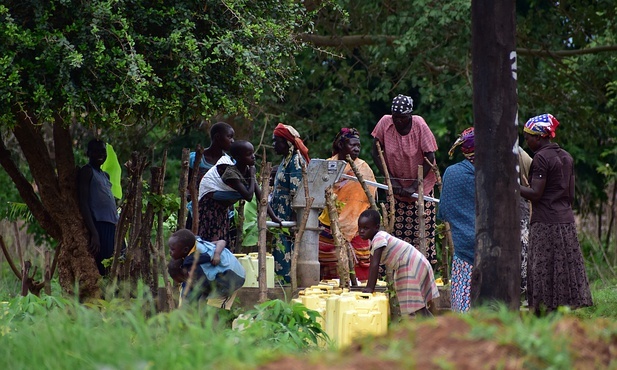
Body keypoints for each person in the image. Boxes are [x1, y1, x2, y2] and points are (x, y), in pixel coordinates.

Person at [520, 113, 592, 315]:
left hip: (545, 223)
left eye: (529, 137)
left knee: (543, 268)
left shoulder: (541, 158)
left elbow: (535, 194)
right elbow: (571, 194)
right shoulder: (566, 157)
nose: (527, 141)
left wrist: (511, 185)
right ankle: (563, 310)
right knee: (562, 267)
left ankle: (544, 311)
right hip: (566, 221)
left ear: (540, 137)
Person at [371, 94, 439, 269]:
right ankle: (395, 273)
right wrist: (391, 181)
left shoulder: (419, 126)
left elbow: (430, 156)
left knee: (422, 236)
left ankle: (421, 273)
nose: (398, 121)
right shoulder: (385, 123)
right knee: (396, 234)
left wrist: (414, 186)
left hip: (420, 189)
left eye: (402, 118)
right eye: (396, 117)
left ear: (410, 115)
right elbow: (375, 151)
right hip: (396, 189)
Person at [318, 128, 377, 281]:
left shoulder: (363, 168)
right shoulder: (328, 165)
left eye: (358, 146)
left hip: (357, 226)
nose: (356, 149)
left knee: (361, 265)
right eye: (352, 145)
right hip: (329, 224)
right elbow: (316, 191)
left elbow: (371, 196)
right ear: (341, 145)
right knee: (327, 264)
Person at [198, 140, 280, 248]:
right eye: (248, 154)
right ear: (238, 157)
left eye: (253, 153)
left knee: (222, 241)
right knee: (212, 242)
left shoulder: (246, 170)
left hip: (222, 209)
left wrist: (274, 217)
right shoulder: (230, 172)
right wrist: (252, 176)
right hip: (209, 208)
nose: (253, 156)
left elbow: (260, 196)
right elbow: (248, 196)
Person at [359, 209, 439, 317]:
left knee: (419, 308)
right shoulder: (374, 240)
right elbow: (373, 262)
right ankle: (435, 329)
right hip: (413, 263)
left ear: (376, 227)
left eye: (365, 228)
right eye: (360, 228)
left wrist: (369, 288)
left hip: (411, 265)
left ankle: (437, 330)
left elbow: (374, 264)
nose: (361, 231)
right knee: (419, 308)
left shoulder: (379, 238)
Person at [436, 127, 475, 312]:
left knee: (463, 298)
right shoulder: (495, 174)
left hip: (464, 249)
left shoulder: (452, 173)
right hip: (494, 247)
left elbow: (444, 211)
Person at [270, 123, 310, 283]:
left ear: (286, 143)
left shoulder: (295, 161)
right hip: (280, 218)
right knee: (279, 255)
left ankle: (286, 290)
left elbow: (297, 195)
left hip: (287, 219)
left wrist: (294, 224)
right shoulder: (285, 160)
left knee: (286, 255)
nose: (273, 145)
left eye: (276, 141)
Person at [168, 229, 245, 309]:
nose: (170, 252)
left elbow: (198, 290)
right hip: (235, 269)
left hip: (233, 278)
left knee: (212, 309)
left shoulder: (198, 268)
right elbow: (221, 242)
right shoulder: (198, 245)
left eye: (172, 249)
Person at [78, 139, 119, 276]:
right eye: (96, 151)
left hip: (113, 226)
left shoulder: (105, 175)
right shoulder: (87, 171)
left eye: (103, 151)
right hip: (99, 226)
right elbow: (83, 203)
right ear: (89, 153)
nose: (100, 154)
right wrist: (94, 233)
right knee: (104, 268)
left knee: (117, 265)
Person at [186, 122, 235, 229]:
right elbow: (187, 185)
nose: (232, 141)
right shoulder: (195, 159)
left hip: (224, 215)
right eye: (229, 137)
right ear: (217, 137)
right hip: (197, 213)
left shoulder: (230, 163)